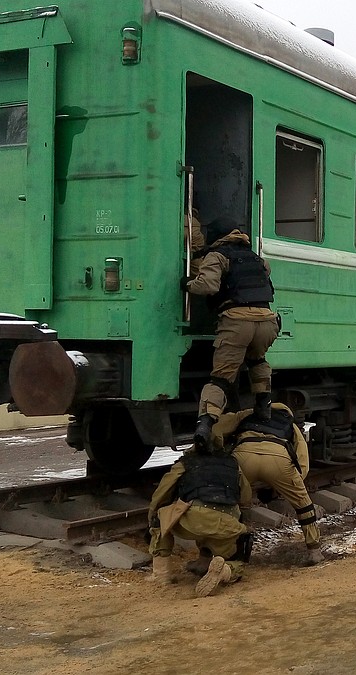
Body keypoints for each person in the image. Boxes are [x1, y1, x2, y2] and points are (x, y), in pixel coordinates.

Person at [182, 217, 280, 450]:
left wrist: (187, 284)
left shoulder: (216, 256)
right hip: (267, 322)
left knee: (221, 378)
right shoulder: (258, 260)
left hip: (237, 322)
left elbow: (208, 286)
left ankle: (205, 425)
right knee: (257, 361)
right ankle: (263, 405)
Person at [213, 405, 325, 566]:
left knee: (227, 502)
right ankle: (314, 551)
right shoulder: (289, 423)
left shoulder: (246, 415)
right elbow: (302, 455)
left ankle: (213, 554)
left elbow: (217, 428)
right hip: (278, 458)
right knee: (303, 505)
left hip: (244, 455)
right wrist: (294, 482)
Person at [147, 446, 253, 598]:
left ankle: (161, 575)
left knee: (160, 518)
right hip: (226, 524)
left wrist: (152, 515)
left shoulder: (185, 463)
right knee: (237, 561)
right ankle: (223, 571)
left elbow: (162, 493)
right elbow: (246, 498)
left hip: (192, 521)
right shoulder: (233, 464)